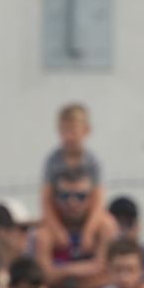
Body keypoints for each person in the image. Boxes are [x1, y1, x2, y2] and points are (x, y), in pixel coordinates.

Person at [39, 102, 109, 240]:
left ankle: (102, 260)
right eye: (64, 131)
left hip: (86, 217)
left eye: (73, 130)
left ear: (86, 130)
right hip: (60, 217)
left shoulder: (92, 161)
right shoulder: (52, 161)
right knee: (41, 236)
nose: (68, 136)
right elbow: (46, 200)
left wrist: (89, 230)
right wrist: (57, 229)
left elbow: (98, 199)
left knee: (108, 226)